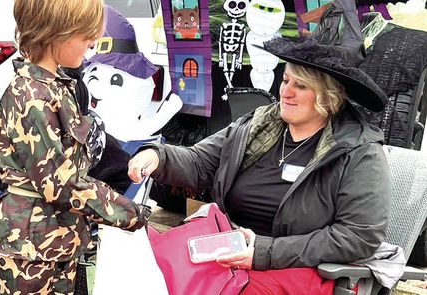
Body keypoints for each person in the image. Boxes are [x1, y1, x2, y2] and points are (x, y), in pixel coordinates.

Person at [128, 36, 391, 294]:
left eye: (300, 86)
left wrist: (264, 252)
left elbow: (358, 236)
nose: (285, 92)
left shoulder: (358, 151)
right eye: (286, 80)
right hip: (231, 252)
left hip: (301, 268)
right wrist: (157, 156)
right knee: (149, 266)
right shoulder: (258, 125)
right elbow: (200, 162)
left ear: (327, 96)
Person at [0, 0, 150, 295]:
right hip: (29, 250)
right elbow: (62, 184)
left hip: (51, 242)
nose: (92, 41)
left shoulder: (55, 87)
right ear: (55, 32)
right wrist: (133, 215)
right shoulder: (33, 95)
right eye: (85, 33)